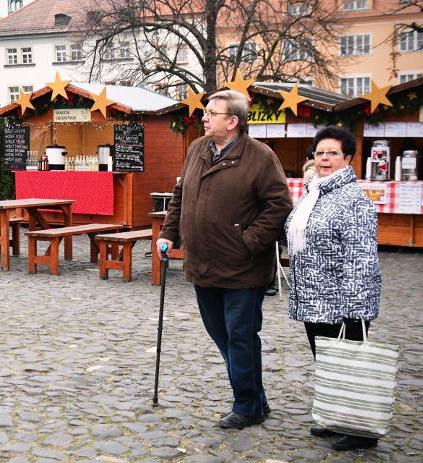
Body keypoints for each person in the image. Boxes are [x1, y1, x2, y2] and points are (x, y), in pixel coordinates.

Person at [156, 90, 292, 430]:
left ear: (232, 121)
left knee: (240, 335)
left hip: (243, 268)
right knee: (221, 334)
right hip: (203, 263)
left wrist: (248, 242)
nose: (204, 117)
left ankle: (246, 406)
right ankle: (256, 396)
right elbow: (180, 194)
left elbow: (279, 205)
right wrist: (169, 233)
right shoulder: (197, 149)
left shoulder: (260, 156)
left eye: (211, 113)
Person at [285, 125, 382, 451]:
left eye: (333, 153)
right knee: (328, 362)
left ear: (349, 158)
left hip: (342, 300)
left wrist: (356, 310)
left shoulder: (353, 200)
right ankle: (340, 418)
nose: (324, 159)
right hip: (314, 297)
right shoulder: (313, 191)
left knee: (350, 363)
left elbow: (361, 258)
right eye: (320, 153)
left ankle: (363, 431)